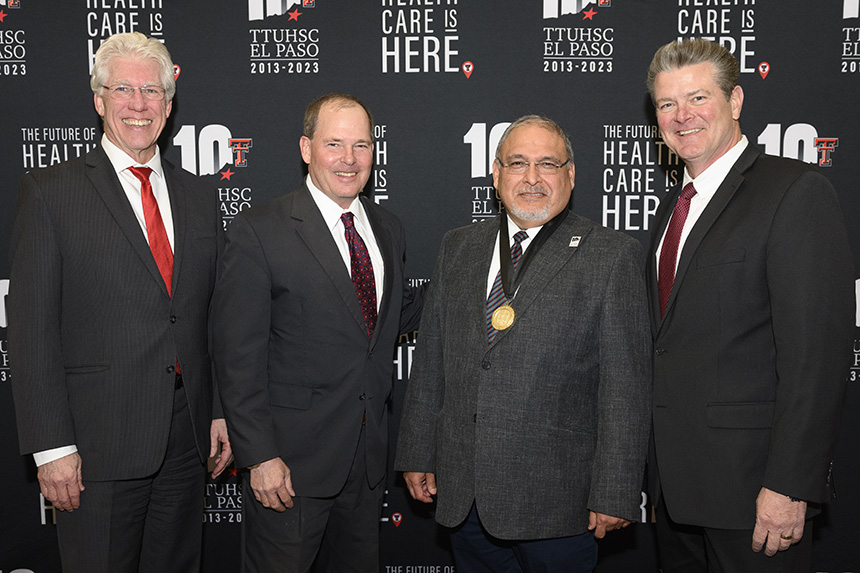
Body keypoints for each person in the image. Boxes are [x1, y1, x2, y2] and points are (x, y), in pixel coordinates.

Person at [7, 32, 231, 573]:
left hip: (186, 437)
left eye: (152, 91)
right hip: (95, 444)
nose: (139, 104)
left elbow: (212, 316)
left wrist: (221, 410)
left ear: (169, 104)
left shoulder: (200, 195)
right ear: (99, 99)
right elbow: (31, 329)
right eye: (123, 89)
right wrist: (51, 447)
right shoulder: (51, 192)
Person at [395, 115, 651, 572]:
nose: (532, 178)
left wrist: (615, 490)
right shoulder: (458, 246)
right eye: (517, 163)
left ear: (570, 175)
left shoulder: (612, 255)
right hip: (465, 493)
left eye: (548, 164)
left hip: (560, 501)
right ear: (496, 175)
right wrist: (418, 450)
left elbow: (625, 388)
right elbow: (432, 358)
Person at [645, 38, 855, 572]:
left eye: (698, 98)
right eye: (667, 104)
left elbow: (815, 359)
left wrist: (789, 484)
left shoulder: (794, 192)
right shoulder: (672, 208)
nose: (682, 116)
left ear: (735, 101)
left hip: (754, 494)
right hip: (675, 493)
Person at [211, 93, 423, 573]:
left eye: (362, 145)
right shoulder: (259, 230)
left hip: (366, 462)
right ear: (306, 149)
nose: (349, 159)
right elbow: (237, 356)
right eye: (334, 144)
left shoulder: (389, 229)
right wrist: (260, 456)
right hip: (289, 467)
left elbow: (384, 323)